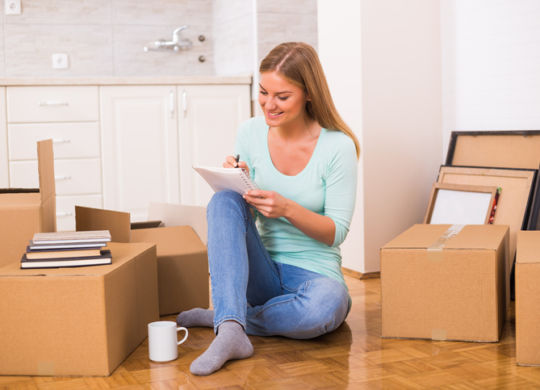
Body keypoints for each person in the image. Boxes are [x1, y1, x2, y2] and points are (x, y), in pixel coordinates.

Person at [177, 41, 360, 376]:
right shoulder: (250, 132)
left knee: (327, 307)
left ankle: (228, 318)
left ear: (308, 94)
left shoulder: (338, 146)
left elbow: (337, 233)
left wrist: (288, 208)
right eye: (263, 92)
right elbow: (245, 218)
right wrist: (239, 181)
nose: (268, 105)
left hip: (314, 277)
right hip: (260, 272)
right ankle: (232, 326)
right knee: (223, 200)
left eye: (282, 96)